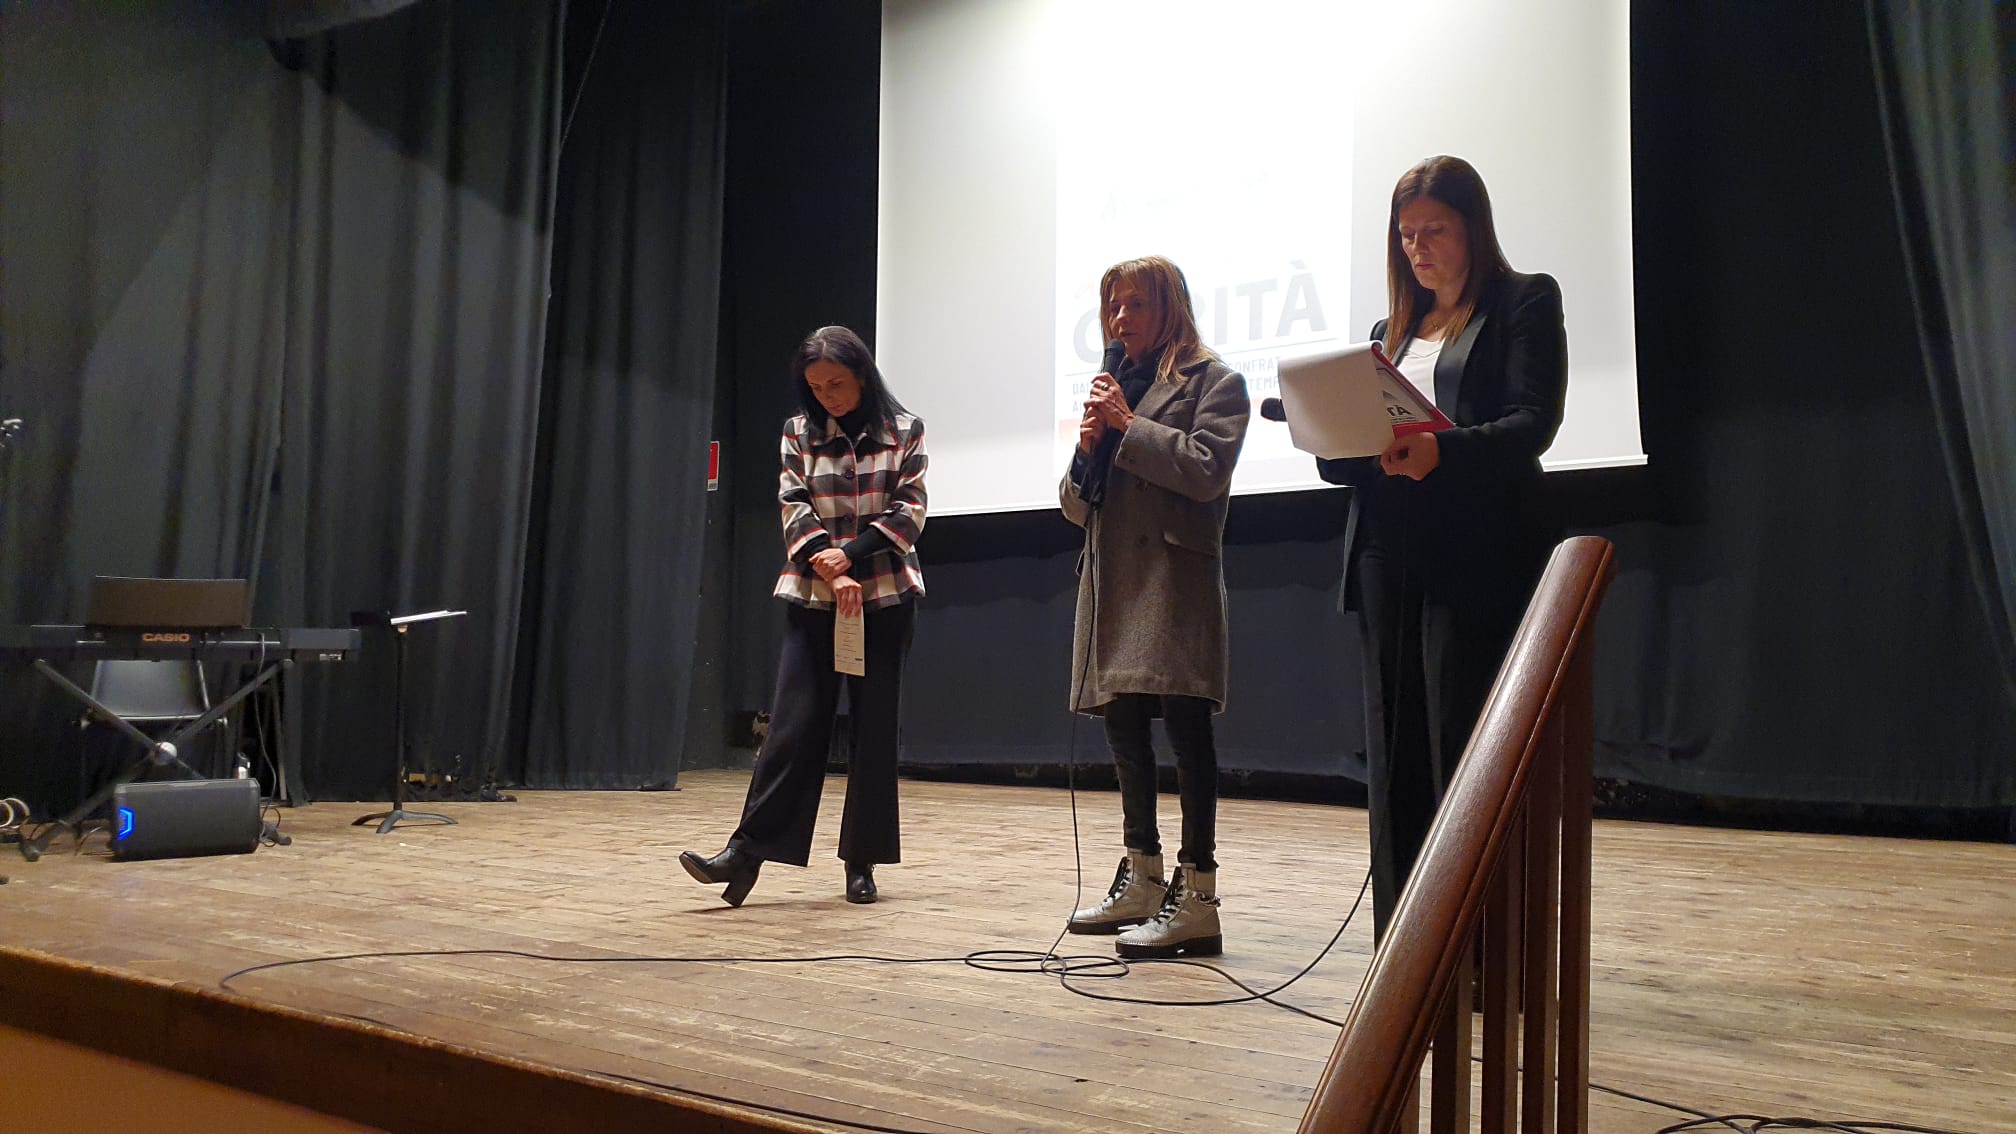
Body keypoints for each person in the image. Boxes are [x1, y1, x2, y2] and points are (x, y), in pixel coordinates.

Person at [1317, 156, 1567, 940]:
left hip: (1475, 553)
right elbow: (1352, 454)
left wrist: (1440, 452)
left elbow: (1532, 423)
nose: (1418, 247)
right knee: (1393, 745)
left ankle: (1478, 940)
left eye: (1435, 230)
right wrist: (1326, 428)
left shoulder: (1524, 301)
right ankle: (1403, 944)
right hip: (1385, 548)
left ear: (1472, 228)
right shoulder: (1385, 335)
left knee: (1461, 738)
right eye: (1406, 235)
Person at [681, 326, 928, 907]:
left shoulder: (904, 430)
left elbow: (910, 510)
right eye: (816, 387)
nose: (828, 396)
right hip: (814, 595)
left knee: (872, 732)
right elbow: (793, 506)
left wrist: (852, 555)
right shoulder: (799, 432)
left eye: (837, 384)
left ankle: (861, 862)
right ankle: (745, 853)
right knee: (792, 729)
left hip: (884, 597)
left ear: (862, 376)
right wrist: (830, 568)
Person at [1060, 255, 1250, 958]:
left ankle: (1197, 895)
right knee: (1124, 727)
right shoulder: (1113, 391)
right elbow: (1074, 507)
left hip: (1171, 579)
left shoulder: (1214, 381)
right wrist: (1087, 451)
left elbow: (1205, 470)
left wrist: (1129, 423)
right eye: (1113, 306)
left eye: (1135, 304)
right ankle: (1141, 875)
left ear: (1171, 307)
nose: (1120, 319)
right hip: (1112, 580)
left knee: (1186, 732)